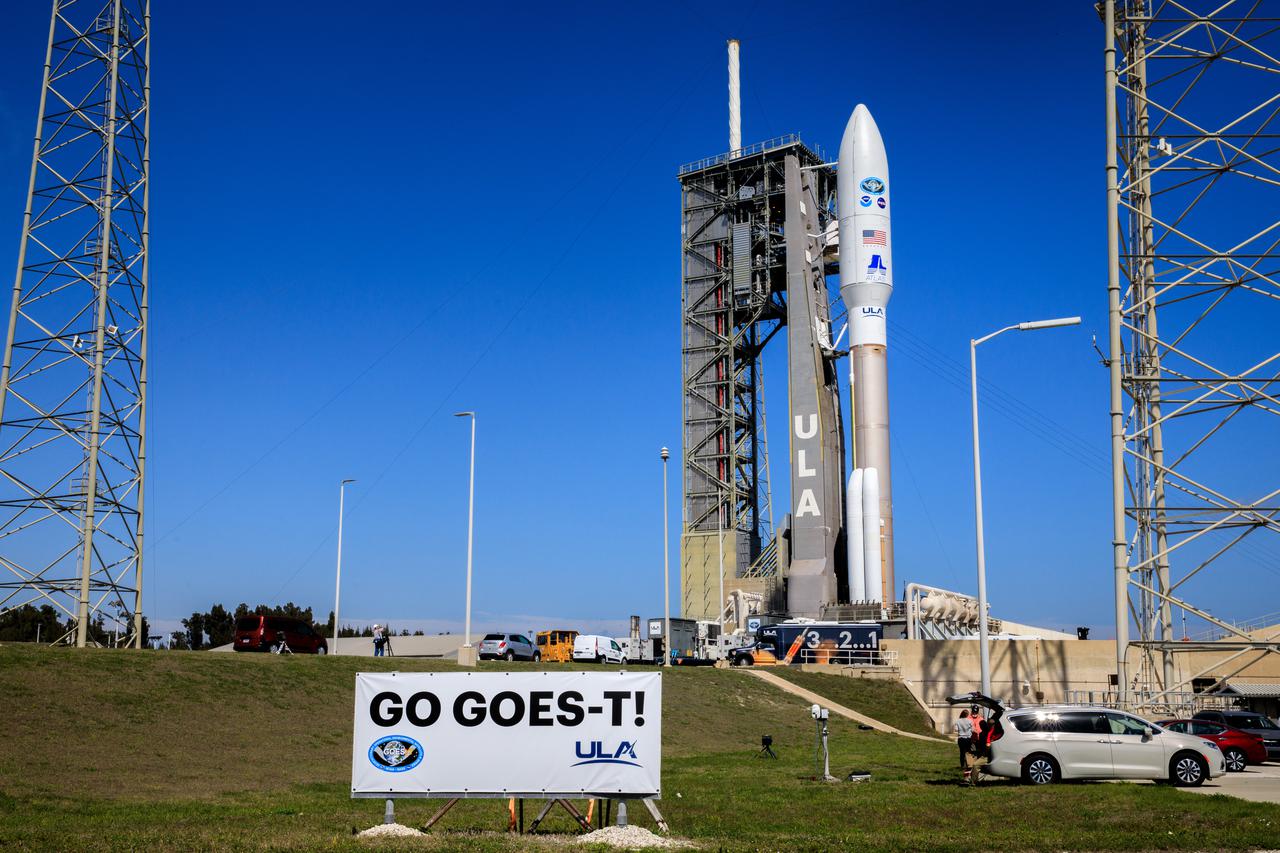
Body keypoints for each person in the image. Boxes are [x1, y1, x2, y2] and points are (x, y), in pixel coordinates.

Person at [953, 709, 973, 775]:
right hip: (968, 738)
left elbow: (956, 729)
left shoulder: (958, 721)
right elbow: (972, 729)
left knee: (962, 752)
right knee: (968, 752)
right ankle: (969, 765)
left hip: (961, 738)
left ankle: (962, 765)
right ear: (967, 715)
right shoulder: (970, 721)